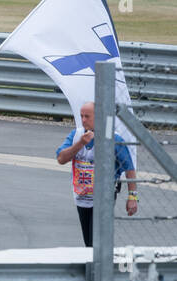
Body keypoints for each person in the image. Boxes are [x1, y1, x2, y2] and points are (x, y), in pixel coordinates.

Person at [56, 101, 138, 247]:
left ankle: (100, 267)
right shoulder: (76, 136)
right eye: (81, 116)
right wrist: (80, 143)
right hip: (82, 196)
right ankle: (95, 267)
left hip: (104, 197)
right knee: (88, 242)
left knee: (96, 242)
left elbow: (129, 168)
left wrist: (132, 196)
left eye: (87, 116)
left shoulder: (114, 139)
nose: (83, 120)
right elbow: (61, 159)